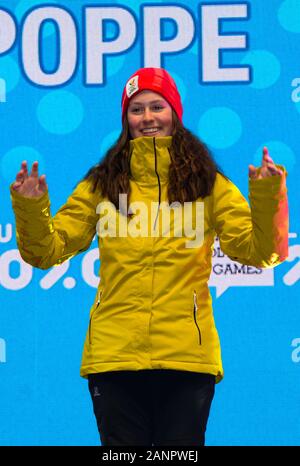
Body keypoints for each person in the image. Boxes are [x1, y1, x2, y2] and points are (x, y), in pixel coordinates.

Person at [10, 67, 289, 446]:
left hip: (187, 358)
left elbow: (262, 252)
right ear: (125, 119)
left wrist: (269, 196)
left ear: (174, 112)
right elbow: (46, 251)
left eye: (157, 106)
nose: (147, 118)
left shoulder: (208, 184)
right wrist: (30, 208)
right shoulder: (102, 183)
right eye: (136, 109)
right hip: (113, 357)